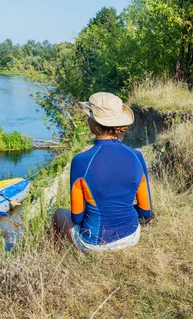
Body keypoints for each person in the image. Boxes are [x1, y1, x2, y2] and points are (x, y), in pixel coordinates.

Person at [52, 92, 152, 253]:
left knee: (58, 214)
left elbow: (76, 217)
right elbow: (146, 212)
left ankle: (57, 257)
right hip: (132, 236)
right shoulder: (137, 156)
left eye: (88, 116)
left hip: (95, 243)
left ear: (94, 122)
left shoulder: (80, 161)